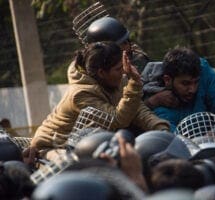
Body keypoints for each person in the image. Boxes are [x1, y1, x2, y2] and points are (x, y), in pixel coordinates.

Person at [25, 42, 169, 164]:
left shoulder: (118, 79)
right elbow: (117, 120)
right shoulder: (81, 94)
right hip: (53, 146)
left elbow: (137, 110)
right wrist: (135, 84)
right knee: (69, 167)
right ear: (101, 73)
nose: (124, 72)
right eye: (119, 69)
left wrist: (162, 130)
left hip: (86, 142)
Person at [142, 47, 215, 141]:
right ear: (167, 80)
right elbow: (175, 140)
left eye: (196, 82)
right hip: (186, 146)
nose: (193, 90)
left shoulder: (204, 72)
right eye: (186, 83)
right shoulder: (158, 104)